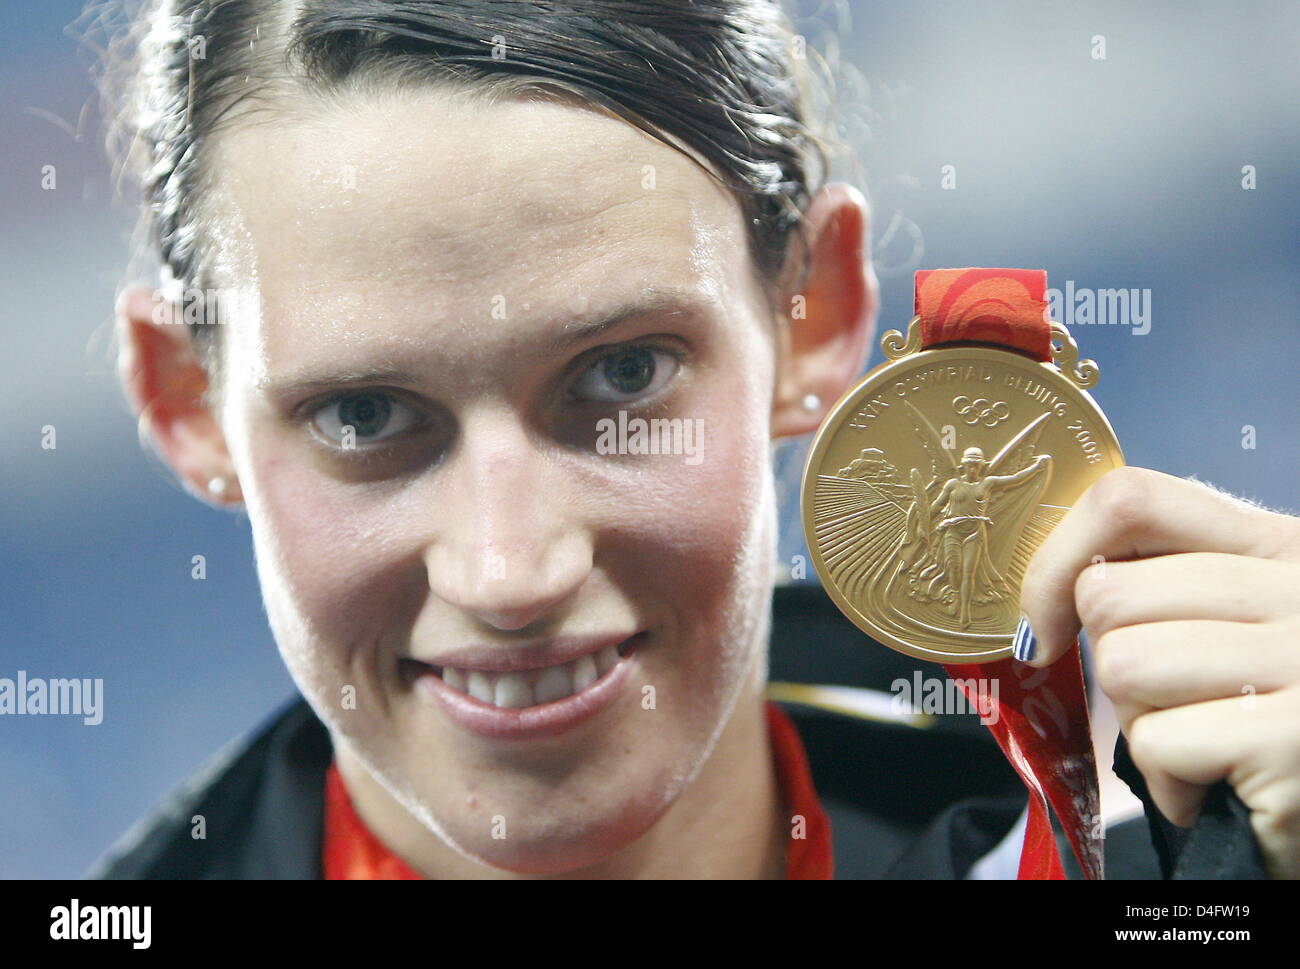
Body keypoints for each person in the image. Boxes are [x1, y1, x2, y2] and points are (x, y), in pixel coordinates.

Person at [86, 0, 1300, 879]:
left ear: (811, 316)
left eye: (620, 375)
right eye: (363, 416)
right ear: (189, 404)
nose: (510, 575)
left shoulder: (1164, 861)